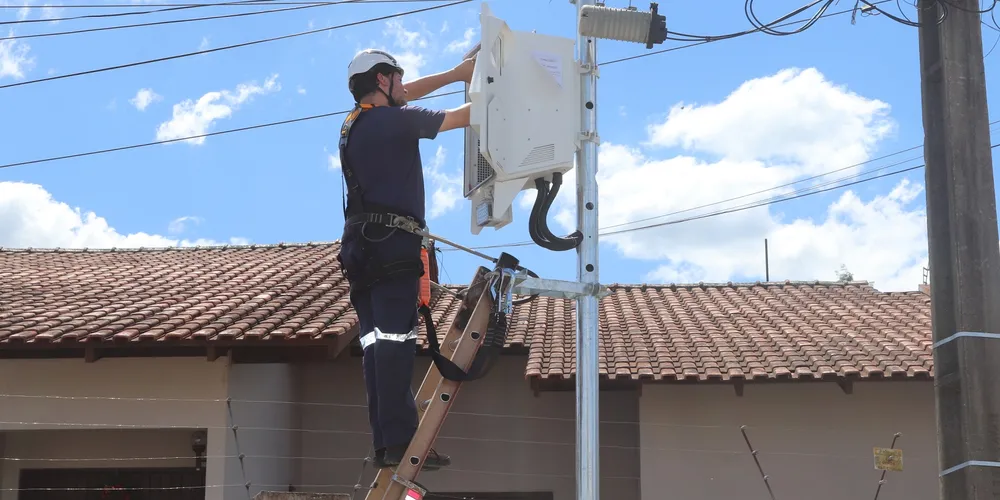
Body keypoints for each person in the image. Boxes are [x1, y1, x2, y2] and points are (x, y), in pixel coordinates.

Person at [336, 48, 474, 471]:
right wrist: (501, 83)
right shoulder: (392, 121)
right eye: (397, 77)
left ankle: (388, 443)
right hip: (391, 245)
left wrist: (455, 74)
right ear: (382, 79)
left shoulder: (356, 122)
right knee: (395, 343)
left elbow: (405, 93)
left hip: (361, 248)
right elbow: (462, 117)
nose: (404, 85)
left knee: (377, 347)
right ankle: (400, 442)